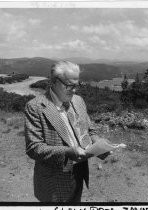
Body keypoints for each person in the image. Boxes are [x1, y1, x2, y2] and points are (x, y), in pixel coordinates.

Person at [24, 61, 109, 202]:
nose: (74, 90)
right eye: (70, 85)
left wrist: (98, 144)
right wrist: (67, 152)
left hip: (79, 173)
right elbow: (34, 148)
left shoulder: (78, 101)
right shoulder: (35, 107)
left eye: (77, 85)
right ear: (54, 82)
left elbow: (90, 129)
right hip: (53, 181)